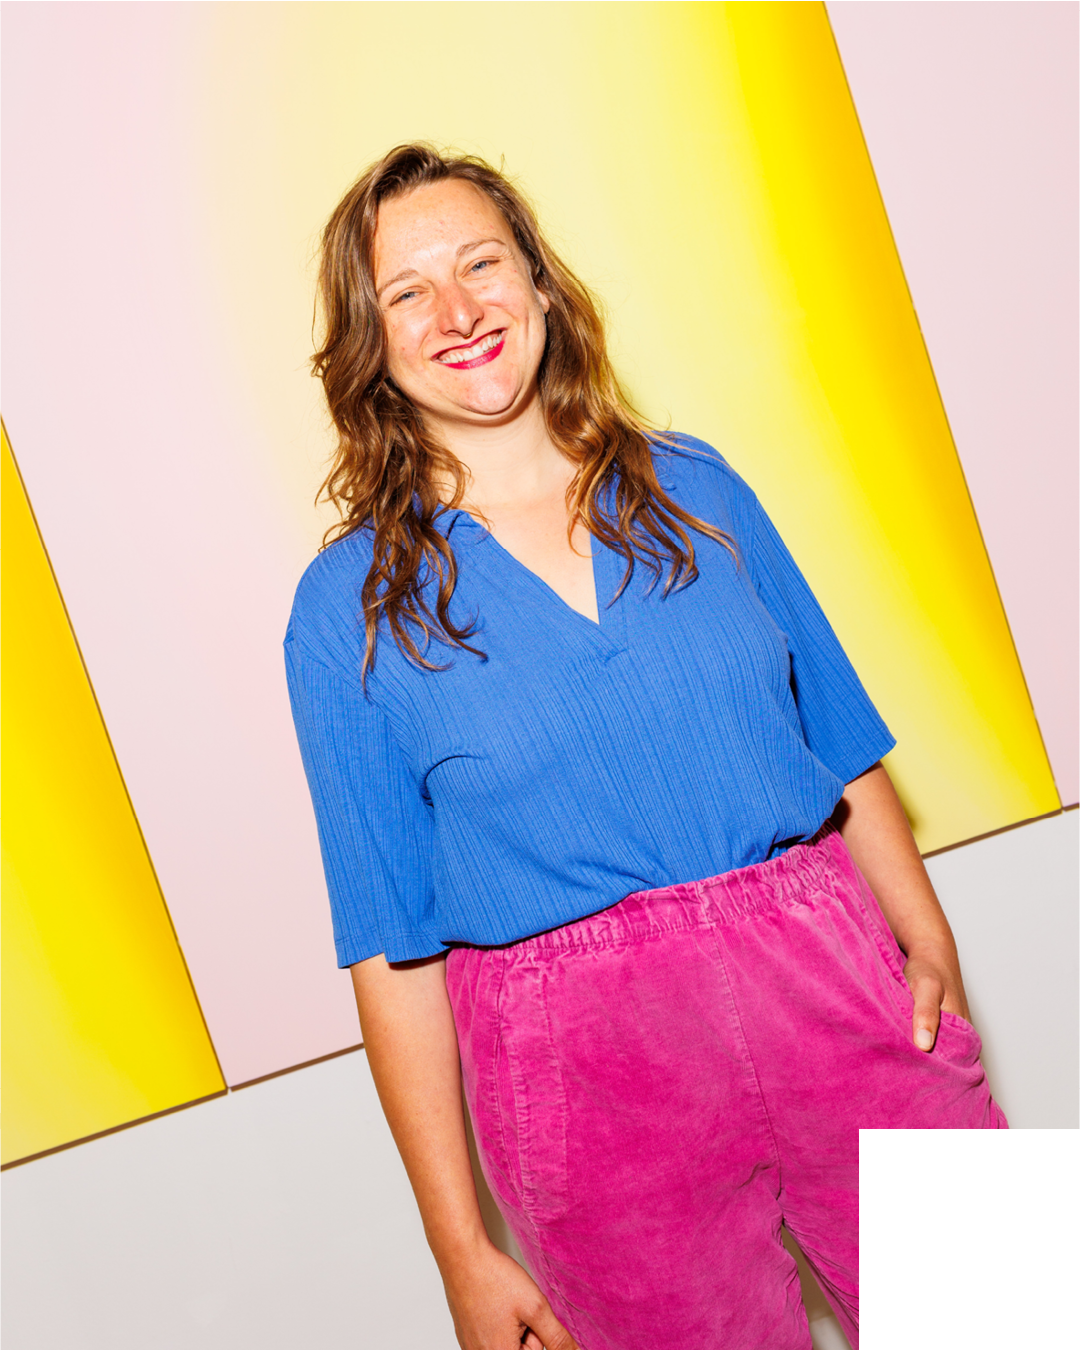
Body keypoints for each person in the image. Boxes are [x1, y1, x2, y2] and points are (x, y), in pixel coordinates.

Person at [285, 143, 1005, 1350]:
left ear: (540, 283)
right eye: (408, 291)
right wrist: (461, 1250)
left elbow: (838, 741)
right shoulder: (346, 608)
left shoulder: (698, 488)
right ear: (370, 343)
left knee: (1003, 1319)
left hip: (831, 979)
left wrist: (927, 940)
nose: (458, 310)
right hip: (586, 1081)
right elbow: (389, 946)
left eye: (482, 264)